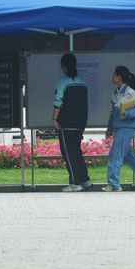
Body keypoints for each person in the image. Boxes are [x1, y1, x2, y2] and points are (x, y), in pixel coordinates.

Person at [103, 66, 135, 192]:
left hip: (126, 129)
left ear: (119, 77)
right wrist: (110, 127)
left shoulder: (130, 92)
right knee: (127, 157)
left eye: (114, 75)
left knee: (115, 156)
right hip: (120, 128)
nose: (112, 77)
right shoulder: (115, 93)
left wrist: (126, 113)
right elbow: (112, 112)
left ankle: (114, 184)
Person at [53, 53, 93, 192]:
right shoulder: (82, 82)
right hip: (80, 122)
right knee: (76, 152)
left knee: (69, 154)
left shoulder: (62, 82)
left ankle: (75, 183)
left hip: (66, 123)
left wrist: (54, 119)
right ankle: (85, 180)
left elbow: (58, 101)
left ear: (64, 66)